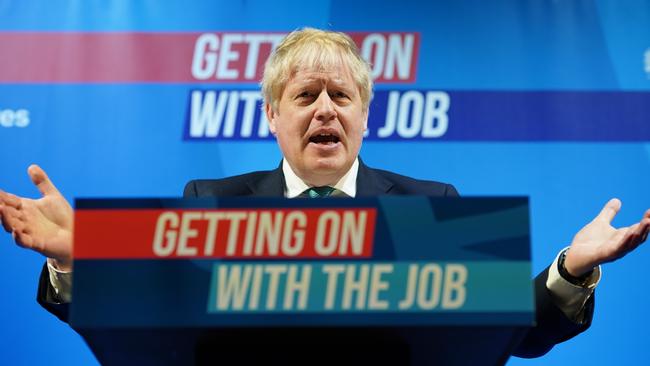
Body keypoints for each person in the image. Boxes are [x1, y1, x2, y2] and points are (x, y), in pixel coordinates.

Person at [1, 28, 649, 362]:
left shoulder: (430, 205)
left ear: (365, 115)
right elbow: (151, 325)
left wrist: (570, 268)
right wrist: (77, 258)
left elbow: (505, 334)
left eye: (341, 96)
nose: (325, 111)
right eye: (305, 96)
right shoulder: (209, 201)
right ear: (273, 117)